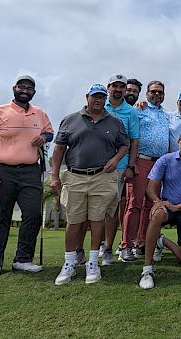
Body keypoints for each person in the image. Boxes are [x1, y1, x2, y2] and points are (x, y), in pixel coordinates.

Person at [0, 75, 54, 278]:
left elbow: (50, 133)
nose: (25, 91)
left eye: (30, 88)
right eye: (22, 87)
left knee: (33, 214)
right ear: (14, 88)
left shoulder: (40, 113)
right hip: (0, 170)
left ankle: (23, 259)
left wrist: (44, 137)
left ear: (33, 92)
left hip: (30, 171)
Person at [50, 83, 129, 285]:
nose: (98, 100)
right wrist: (54, 175)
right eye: (95, 96)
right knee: (74, 221)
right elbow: (58, 150)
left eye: (102, 97)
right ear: (87, 97)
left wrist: (115, 159)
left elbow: (124, 145)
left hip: (101, 176)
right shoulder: (70, 120)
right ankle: (69, 264)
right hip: (75, 176)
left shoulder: (115, 122)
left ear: (106, 98)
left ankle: (93, 263)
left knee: (97, 220)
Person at [139, 130, 181, 289]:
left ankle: (161, 240)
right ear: (179, 142)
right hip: (168, 208)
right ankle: (147, 270)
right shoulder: (165, 159)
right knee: (157, 215)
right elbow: (150, 186)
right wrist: (157, 202)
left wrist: (177, 207)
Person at [92, 74, 140, 266]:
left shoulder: (131, 112)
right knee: (94, 210)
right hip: (95, 166)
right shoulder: (100, 107)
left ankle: (109, 249)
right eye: (115, 86)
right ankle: (95, 248)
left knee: (112, 211)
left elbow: (134, 140)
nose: (118, 90)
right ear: (109, 87)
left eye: (122, 86)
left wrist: (130, 165)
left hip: (119, 168)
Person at [120, 81, 170, 261]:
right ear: (147, 93)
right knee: (134, 203)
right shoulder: (138, 110)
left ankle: (143, 243)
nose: (157, 95)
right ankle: (126, 245)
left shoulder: (166, 114)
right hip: (141, 160)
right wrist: (130, 163)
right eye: (154, 92)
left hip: (160, 164)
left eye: (160, 92)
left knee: (151, 205)